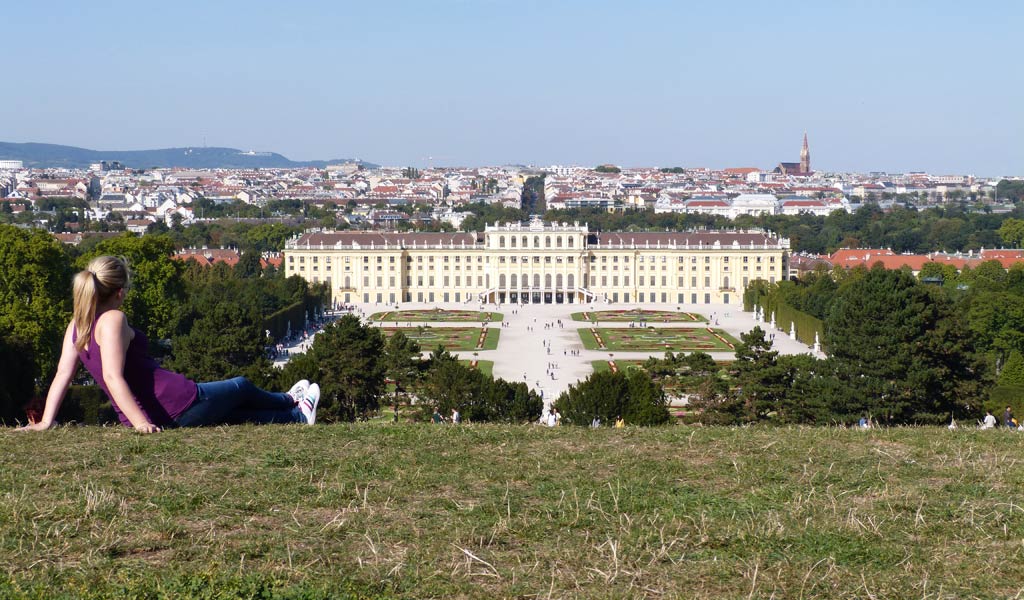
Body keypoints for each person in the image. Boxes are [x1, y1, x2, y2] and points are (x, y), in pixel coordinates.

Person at [17, 256, 319, 433]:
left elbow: (62, 375)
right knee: (240, 386)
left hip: (156, 412)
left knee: (233, 414)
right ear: (119, 292)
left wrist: (47, 421)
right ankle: (289, 402)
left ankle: (294, 416)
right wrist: (141, 424)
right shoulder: (113, 320)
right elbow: (112, 376)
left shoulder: (77, 325)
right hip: (177, 402)